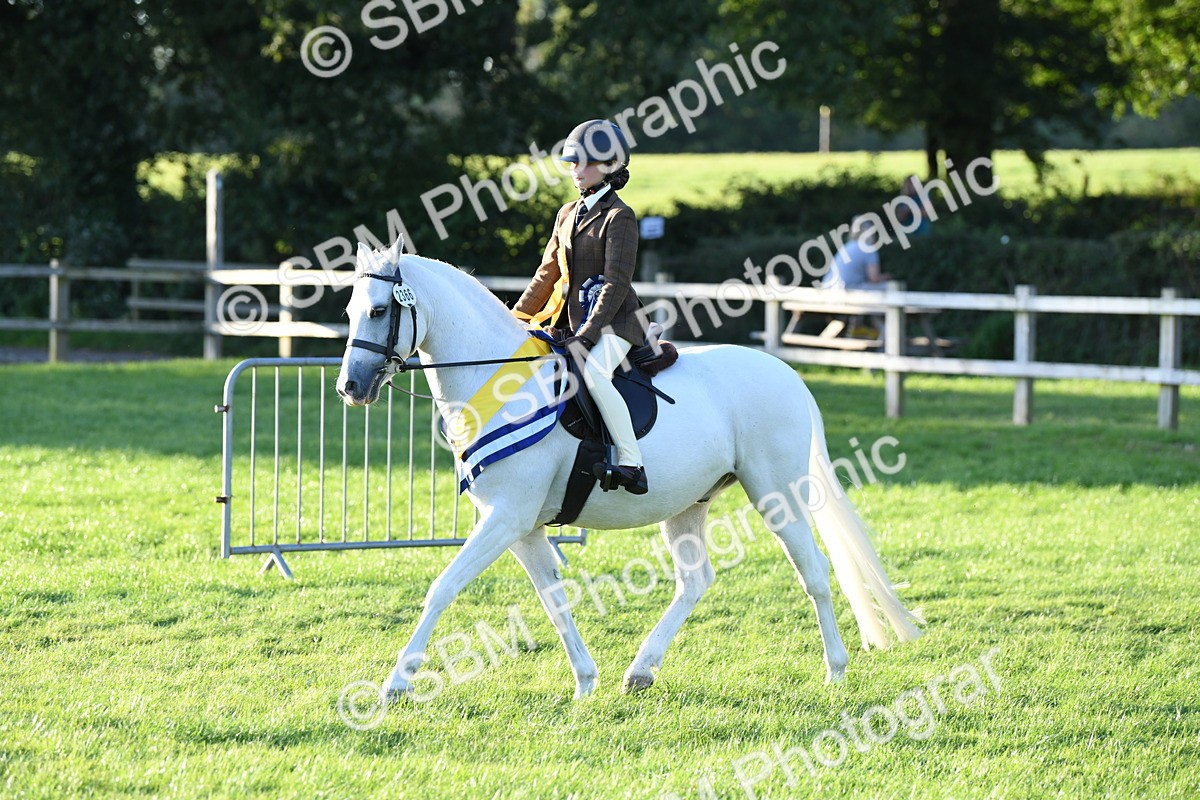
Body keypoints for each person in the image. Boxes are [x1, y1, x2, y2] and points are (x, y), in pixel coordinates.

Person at [512, 119, 648, 495]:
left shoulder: (620, 218)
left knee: (595, 374)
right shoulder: (566, 213)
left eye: (583, 162)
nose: (575, 169)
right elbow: (547, 274)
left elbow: (616, 284)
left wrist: (588, 335)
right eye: (571, 162)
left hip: (616, 323)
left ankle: (631, 460)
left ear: (608, 166)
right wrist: (514, 319)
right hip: (571, 323)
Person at [822, 215, 892, 291]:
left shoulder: (848, 246)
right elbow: (874, 278)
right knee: (889, 287)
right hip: (845, 289)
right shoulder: (869, 248)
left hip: (827, 287)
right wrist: (886, 277)